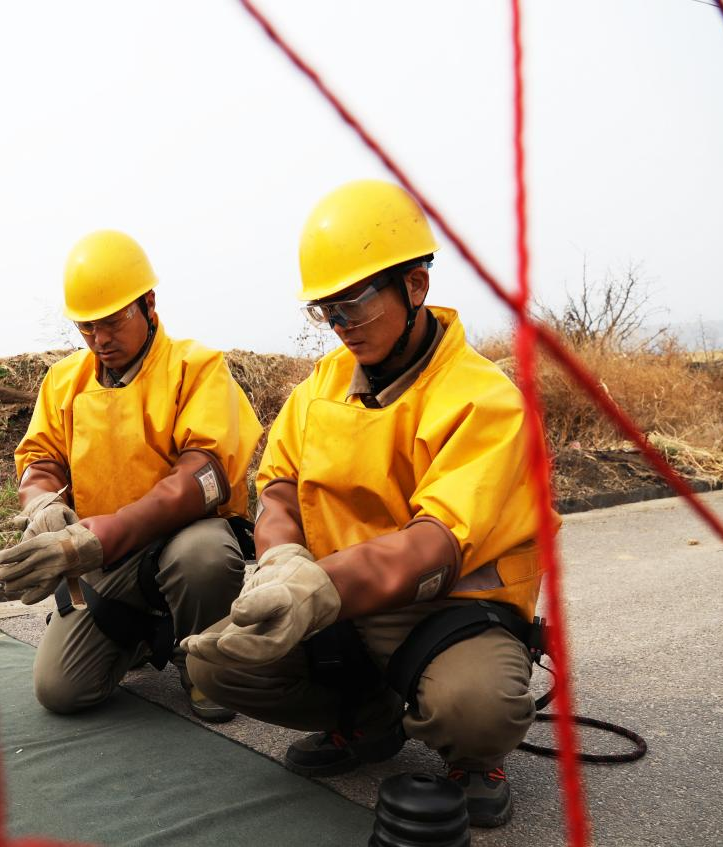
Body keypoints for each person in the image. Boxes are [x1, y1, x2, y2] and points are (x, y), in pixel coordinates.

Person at [183, 179, 552, 828]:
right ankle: (367, 718)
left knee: (475, 708)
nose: (339, 325)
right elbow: (278, 488)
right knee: (217, 662)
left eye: (352, 302)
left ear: (416, 285)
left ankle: (475, 759)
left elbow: (437, 540)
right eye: (326, 309)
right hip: (341, 604)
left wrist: (315, 587)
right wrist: (283, 560)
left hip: (445, 611)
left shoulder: (486, 400)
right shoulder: (318, 389)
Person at [0, 229, 262, 722]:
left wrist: (100, 536)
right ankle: (140, 635)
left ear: (149, 304)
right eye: (86, 326)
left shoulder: (197, 368)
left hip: (178, 539)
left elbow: (204, 473)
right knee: (60, 691)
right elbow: (40, 459)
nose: (100, 339)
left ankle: (204, 666)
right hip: (107, 556)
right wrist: (42, 502)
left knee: (206, 556)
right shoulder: (63, 381)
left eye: (113, 321)